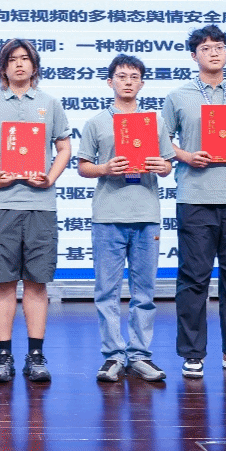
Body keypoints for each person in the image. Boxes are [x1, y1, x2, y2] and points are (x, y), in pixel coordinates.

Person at [160, 25, 226, 379]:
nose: (214, 52)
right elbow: (163, 141)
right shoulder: (178, 96)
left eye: (219, 46)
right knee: (193, 278)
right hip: (195, 197)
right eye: (206, 48)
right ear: (194, 56)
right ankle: (193, 353)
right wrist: (187, 156)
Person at [0, 39, 71, 384]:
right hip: (0, 205)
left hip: (40, 204)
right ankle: (3, 356)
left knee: (37, 282)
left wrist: (50, 178)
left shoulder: (49, 103)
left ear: (34, 66)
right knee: (3, 282)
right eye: (12, 59)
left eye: (25, 59)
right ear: (3, 67)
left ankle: (36, 355)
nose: (19, 64)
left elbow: (64, 147)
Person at [76, 54, 172, 384]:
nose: (127, 81)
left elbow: (167, 164)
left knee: (144, 291)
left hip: (146, 214)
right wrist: (105, 168)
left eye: (134, 77)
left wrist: (162, 166)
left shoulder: (155, 122)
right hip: (108, 216)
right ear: (110, 81)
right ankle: (113, 355)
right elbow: (83, 166)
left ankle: (140, 354)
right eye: (121, 76)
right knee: (107, 291)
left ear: (142, 83)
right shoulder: (96, 123)